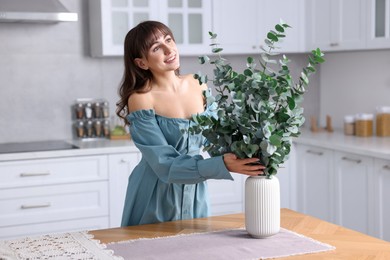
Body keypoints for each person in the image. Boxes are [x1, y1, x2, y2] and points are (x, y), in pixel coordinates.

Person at [116, 20, 265, 227]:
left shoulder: (198, 83)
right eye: (157, 47)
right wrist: (221, 165)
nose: (169, 50)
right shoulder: (142, 98)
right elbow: (164, 165)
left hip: (195, 190)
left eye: (169, 40)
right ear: (142, 63)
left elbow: (218, 136)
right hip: (154, 193)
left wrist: (255, 148)